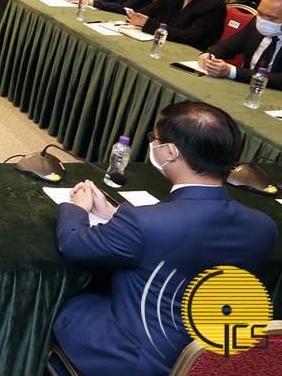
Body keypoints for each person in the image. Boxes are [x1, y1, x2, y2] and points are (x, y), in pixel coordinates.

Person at [49, 102, 276, 376]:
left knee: (62, 306)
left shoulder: (145, 223)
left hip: (138, 358)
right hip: (211, 357)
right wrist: (114, 213)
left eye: (153, 139)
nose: (152, 144)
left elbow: (73, 244)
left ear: (170, 152)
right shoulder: (264, 227)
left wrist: (76, 207)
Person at [199, 0, 282, 84]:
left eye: (271, 18)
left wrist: (231, 71)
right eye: (260, 13)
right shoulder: (255, 24)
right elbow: (227, 46)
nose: (263, 21)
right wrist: (209, 56)